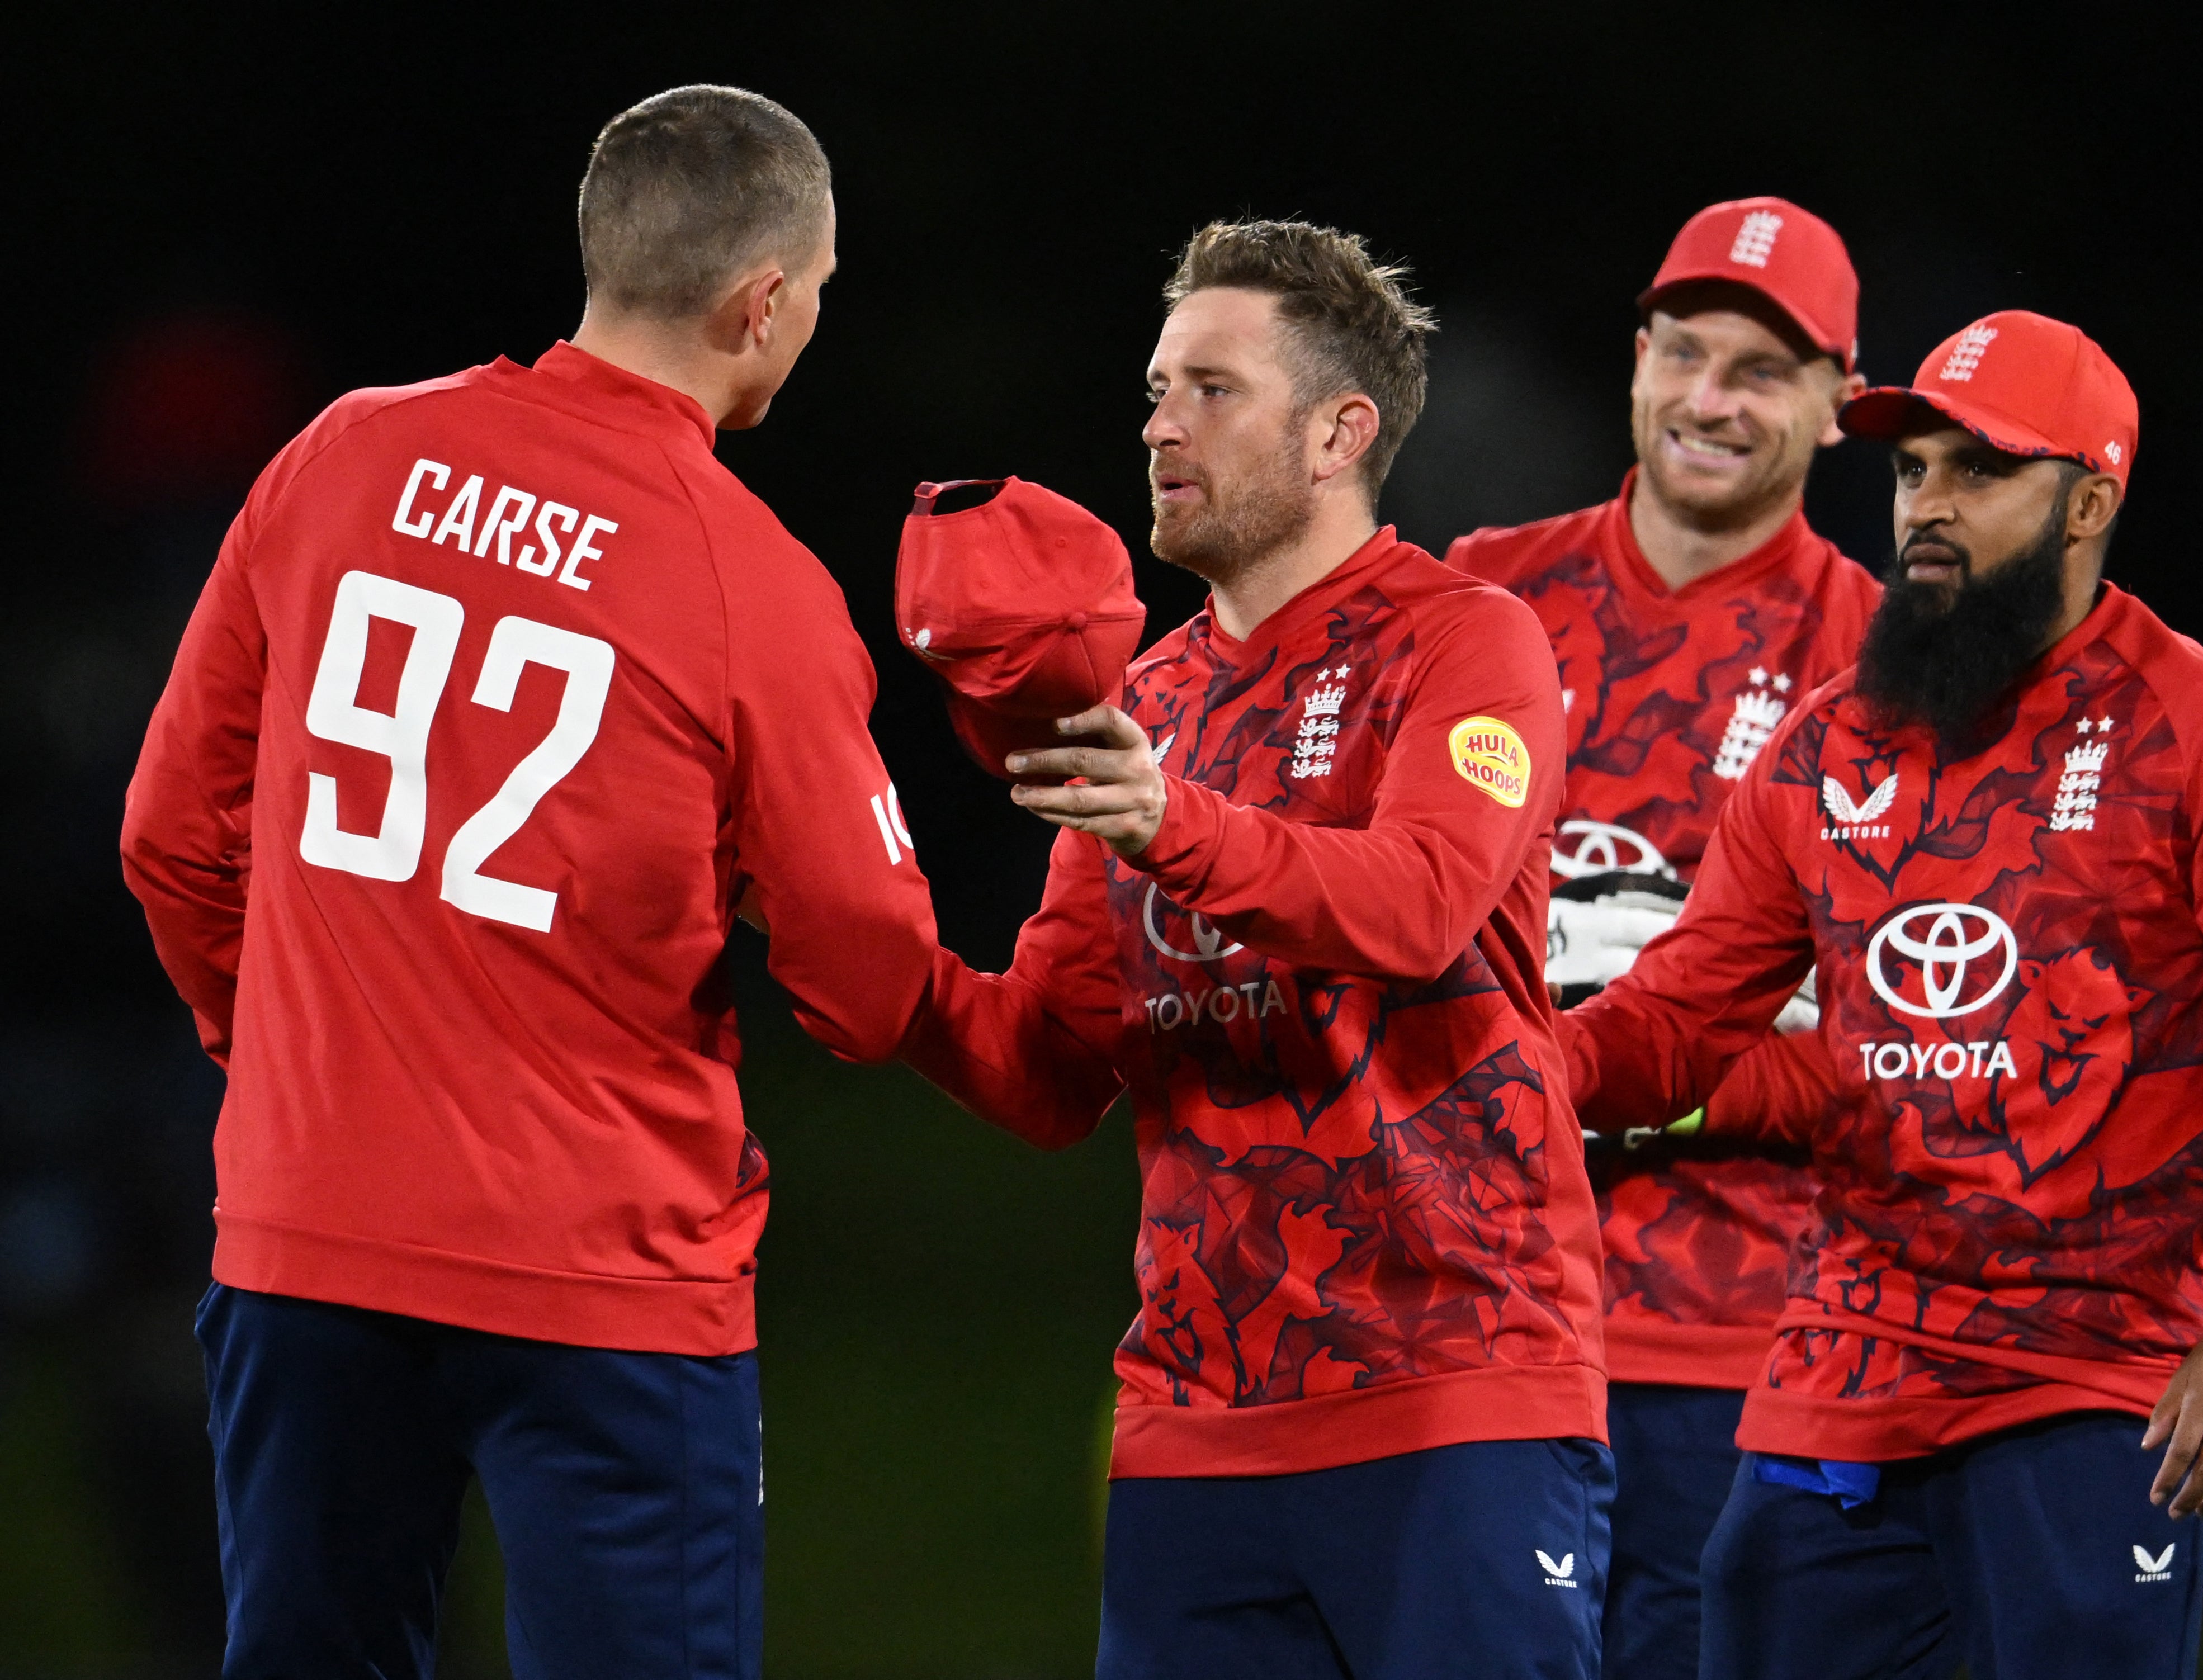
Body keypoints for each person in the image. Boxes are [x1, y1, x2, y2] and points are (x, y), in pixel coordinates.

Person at [120, 86, 935, 1679]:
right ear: (761, 301)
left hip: (309, 1233)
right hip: (602, 1275)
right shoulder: (746, 575)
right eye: (819, 291)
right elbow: (868, 967)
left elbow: (170, 830)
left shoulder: (343, 453)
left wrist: (279, 1052)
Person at [1561, 310, 2203, 1679]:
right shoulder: (1828, 738)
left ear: (2088, 502)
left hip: (2094, 1376)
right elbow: (1676, 1016)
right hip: (1843, 1372)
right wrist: (1498, 1072)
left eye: (1977, 470)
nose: (1927, 508)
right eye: (1911, 471)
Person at [901, 220, 1611, 1680]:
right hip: (1194, 1422)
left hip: (1455, 1388)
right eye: (1158, 387)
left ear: (1339, 430)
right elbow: (1043, 1068)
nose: (1160, 421)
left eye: (1212, 388)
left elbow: (1417, 902)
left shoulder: (1466, 643)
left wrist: (1173, 821)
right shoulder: (1140, 695)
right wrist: (842, 926)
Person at [1447, 196, 1877, 1679]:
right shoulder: (1475, 600)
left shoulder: (1883, 671)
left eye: (1759, 370)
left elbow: (1924, 1050)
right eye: (1684, 350)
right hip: (1471, 1327)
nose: (1708, 397)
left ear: (1837, 405)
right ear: (1636, 357)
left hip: (1742, 1351)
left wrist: (1651, 1066)